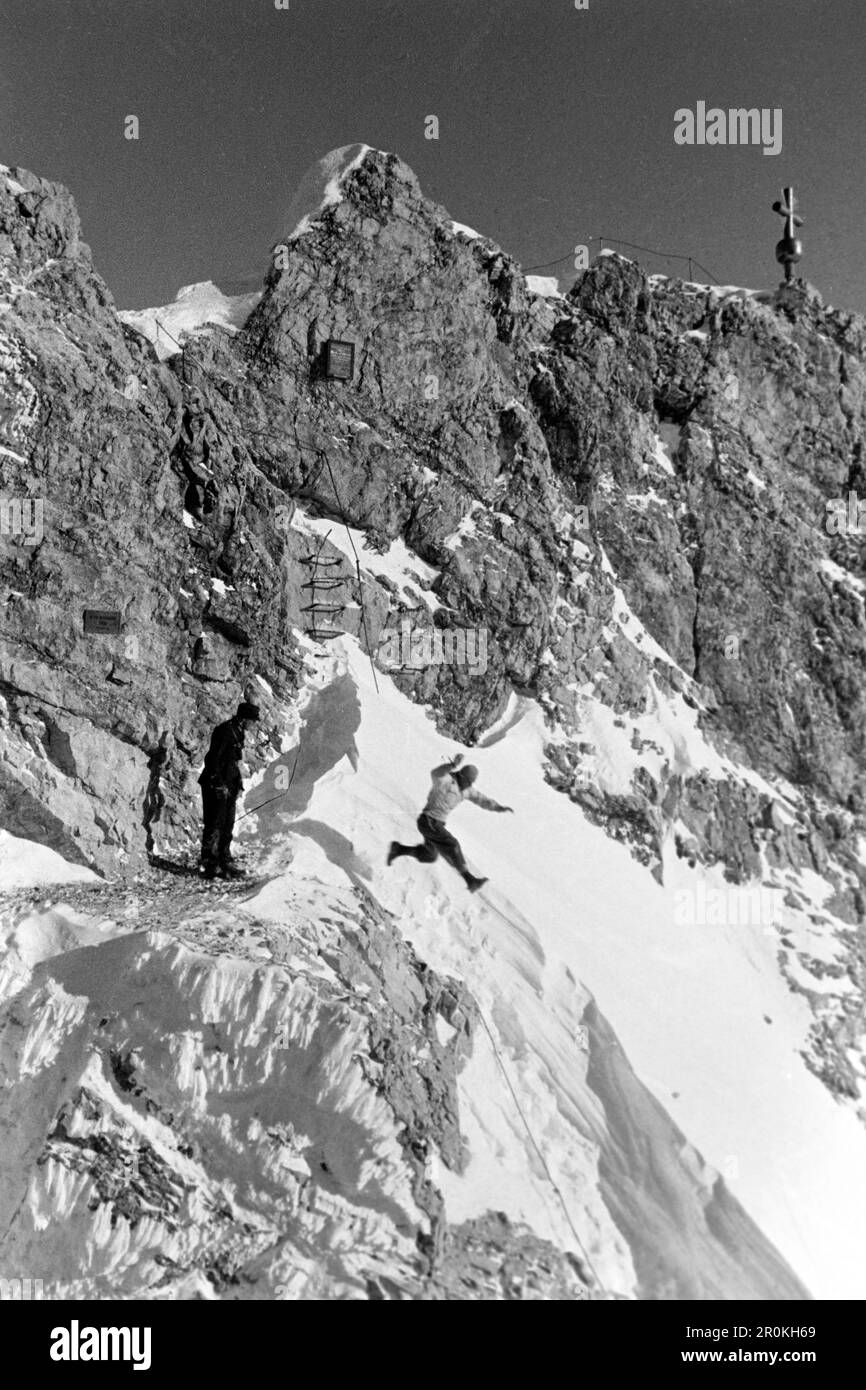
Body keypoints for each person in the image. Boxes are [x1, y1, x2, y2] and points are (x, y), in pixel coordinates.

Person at [387, 753, 513, 892]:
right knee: (452, 844)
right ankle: (470, 880)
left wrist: (498, 807)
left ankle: (398, 849)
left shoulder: (466, 791)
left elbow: (482, 799)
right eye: (468, 781)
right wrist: (451, 765)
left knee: (430, 855)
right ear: (461, 776)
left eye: (471, 783)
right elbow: (436, 773)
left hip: (437, 824)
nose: (469, 785)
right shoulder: (446, 780)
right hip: (429, 820)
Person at [198, 702, 260, 879]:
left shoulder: (238, 731)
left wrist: (237, 783)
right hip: (216, 784)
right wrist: (218, 784)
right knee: (214, 823)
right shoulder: (224, 731)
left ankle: (224, 860)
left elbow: (233, 762)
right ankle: (209, 863)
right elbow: (212, 760)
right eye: (252, 721)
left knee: (228, 823)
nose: (254, 724)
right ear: (244, 718)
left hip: (230, 784)